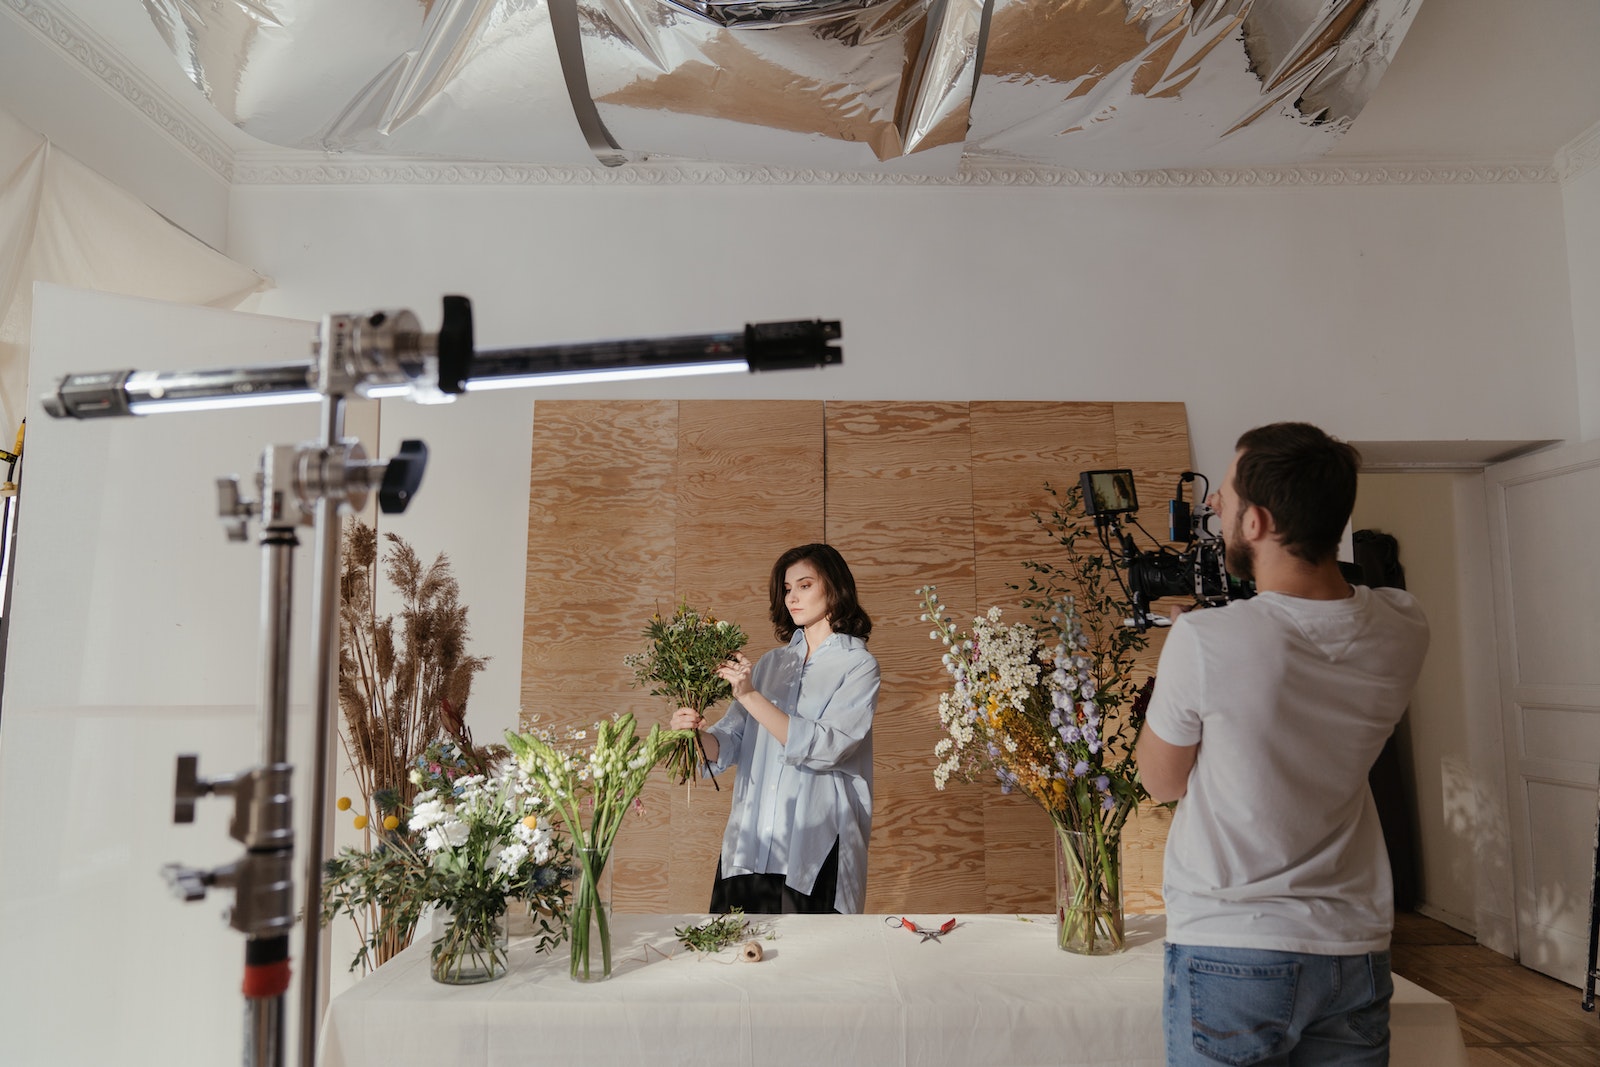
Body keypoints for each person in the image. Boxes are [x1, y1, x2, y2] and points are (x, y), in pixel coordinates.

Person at [1136, 422, 1429, 1066]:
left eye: (1228, 493)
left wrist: (1186, 650)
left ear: (1259, 522)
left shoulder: (1208, 641)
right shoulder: (1405, 625)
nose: (1214, 503)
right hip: (1353, 948)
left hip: (1230, 947)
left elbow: (1160, 781)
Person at [670, 543, 879, 914]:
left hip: (815, 845)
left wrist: (750, 695)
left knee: (811, 966)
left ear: (834, 587)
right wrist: (693, 735)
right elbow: (729, 740)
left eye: (804, 585)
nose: (792, 598)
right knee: (735, 960)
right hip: (752, 839)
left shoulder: (857, 665)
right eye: (786, 589)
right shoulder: (770, 665)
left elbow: (826, 747)